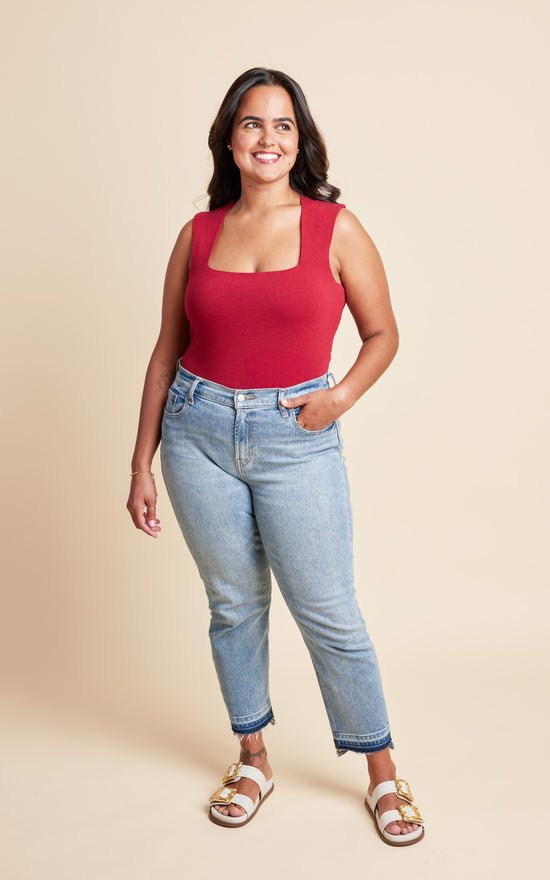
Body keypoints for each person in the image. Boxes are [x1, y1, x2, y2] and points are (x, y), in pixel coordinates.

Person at [126, 66, 425, 845]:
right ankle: (253, 757)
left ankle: (383, 773)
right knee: (233, 605)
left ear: (301, 140)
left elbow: (383, 334)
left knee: (328, 610)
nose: (268, 138)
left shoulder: (335, 227)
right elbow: (165, 352)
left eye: (283, 124)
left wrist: (337, 399)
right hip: (196, 432)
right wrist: (140, 464)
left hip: (297, 438)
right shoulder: (197, 234)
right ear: (230, 138)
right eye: (252, 123)